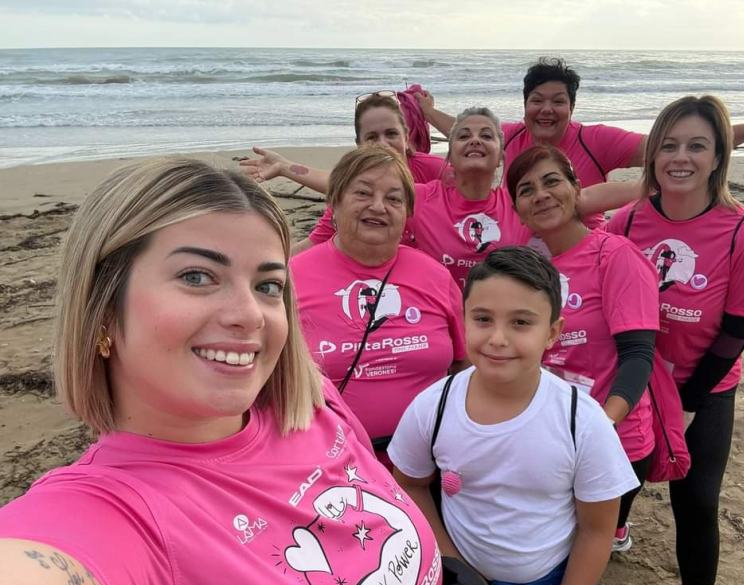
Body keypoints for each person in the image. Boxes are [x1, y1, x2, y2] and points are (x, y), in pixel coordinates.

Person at [0, 159, 442, 585]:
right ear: (102, 309)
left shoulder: (308, 398)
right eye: (197, 276)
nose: (249, 315)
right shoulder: (120, 516)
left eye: (267, 286)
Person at [388, 247, 639, 585]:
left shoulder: (582, 421)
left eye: (521, 322)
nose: (498, 338)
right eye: (483, 319)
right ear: (464, 319)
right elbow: (410, 484)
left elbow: (597, 531)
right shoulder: (432, 407)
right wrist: (454, 563)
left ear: (552, 333)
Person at [605, 95, 744, 585]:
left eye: (696, 146)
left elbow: (736, 333)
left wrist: (689, 400)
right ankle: (616, 530)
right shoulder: (625, 221)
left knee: (697, 501)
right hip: (634, 382)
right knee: (621, 478)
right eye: (670, 145)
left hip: (704, 387)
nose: (680, 157)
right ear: (653, 154)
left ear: (719, 155)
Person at [419, 57, 744, 227]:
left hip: (581, 245)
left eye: (558, 102)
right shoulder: (510, 135)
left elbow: (670, 145)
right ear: (524, 105)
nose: (546, 110)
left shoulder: (596, 140)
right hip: (522, 243)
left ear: (572, 107)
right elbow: (466, 131)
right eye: (536, 100)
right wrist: (427, 110)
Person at [506, 143, 661, 553]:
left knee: (578, 549)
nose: (540, 194)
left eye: (552, 181)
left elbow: (638, 357)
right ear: (518, 210)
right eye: (526, 189)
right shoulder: (528, 270)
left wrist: (599, 428)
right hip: (551, 437)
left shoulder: (615, 256)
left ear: (577, 190)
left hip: (613, 438)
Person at [303, 106, 639, 288]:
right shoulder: (420, 198)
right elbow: (355, 190)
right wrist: (293, 170)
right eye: (463, 135)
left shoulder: (519, 203)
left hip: (502, 323)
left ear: (501, 155)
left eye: (486, 135)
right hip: (439, 316)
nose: (475, 140)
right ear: (449, 154)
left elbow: (582, 199)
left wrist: (655, 188)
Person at [290, 146, 467, 463]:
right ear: (333, 203)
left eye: (394, 199)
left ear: (407, 213)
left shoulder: (435, 276)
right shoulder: (294, 278)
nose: (378, 206)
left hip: (433, 461)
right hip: (334, 467)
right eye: (362, 193)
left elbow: (462, 364)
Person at [240, 91, 447, 251]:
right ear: (359, 144)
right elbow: (316, 242)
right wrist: (267, 266)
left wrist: (430, 113)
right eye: (372, 137)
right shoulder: (351, 195)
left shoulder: (434, 170)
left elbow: (476, 179)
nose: (383, 144)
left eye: (391, 134)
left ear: (406, 136)